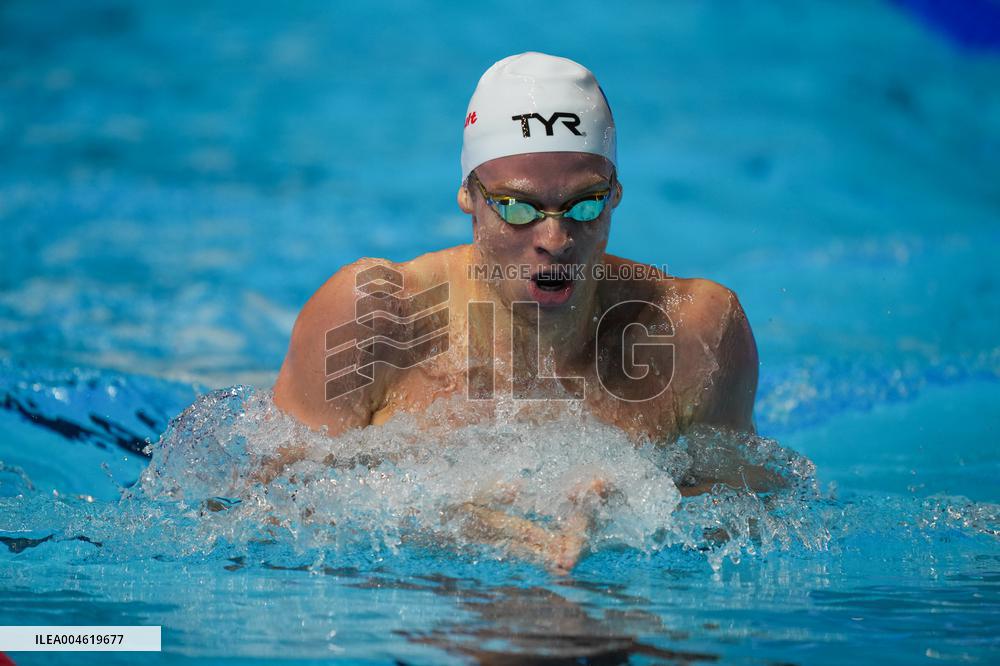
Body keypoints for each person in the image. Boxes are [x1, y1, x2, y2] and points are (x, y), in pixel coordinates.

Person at [270, 52, 763, 572]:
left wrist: (640, 514)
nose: (554, 239)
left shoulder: (695, 329)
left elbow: (757, 510)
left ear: (616, 193)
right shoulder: (373, 315)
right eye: (517, 209)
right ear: (468, 194)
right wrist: (446, 520)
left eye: (586, 204)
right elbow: (253, 508)